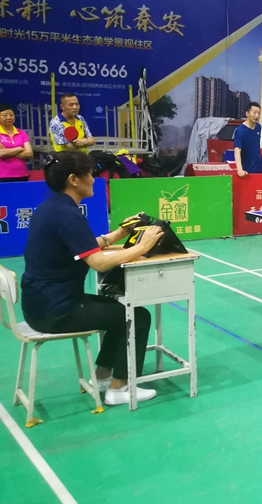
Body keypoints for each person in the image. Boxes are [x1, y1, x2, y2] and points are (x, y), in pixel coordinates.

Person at [20, 152, 165, 405]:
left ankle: (102, 377)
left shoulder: (52, 207)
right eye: (89, 174)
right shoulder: (67, 214)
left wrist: (118, 234)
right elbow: (97, 262)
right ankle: (119, 389)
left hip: (40, 304)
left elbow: (81, 246)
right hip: (57, 310)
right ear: (74, 179)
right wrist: (142, 247)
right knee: (138, 317)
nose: (94, 179)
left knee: (120, 311)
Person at [0, 103, 32, 182]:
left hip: (22, 175)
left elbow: (29, 154)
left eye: (11, 115)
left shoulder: (22, 133)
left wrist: (8, 152)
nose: (9, 117)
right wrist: (19, 148)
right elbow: (1, 153)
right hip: (2, 176)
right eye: (5, 115)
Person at [233, 102, 262, 177]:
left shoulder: (258, 127)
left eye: (259, 113)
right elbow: (237, 150)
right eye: (254, 113)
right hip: (246, 170)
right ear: (247, 113)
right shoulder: (240, 130)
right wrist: (240, 169)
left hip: (258, 168)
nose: (257, 116)